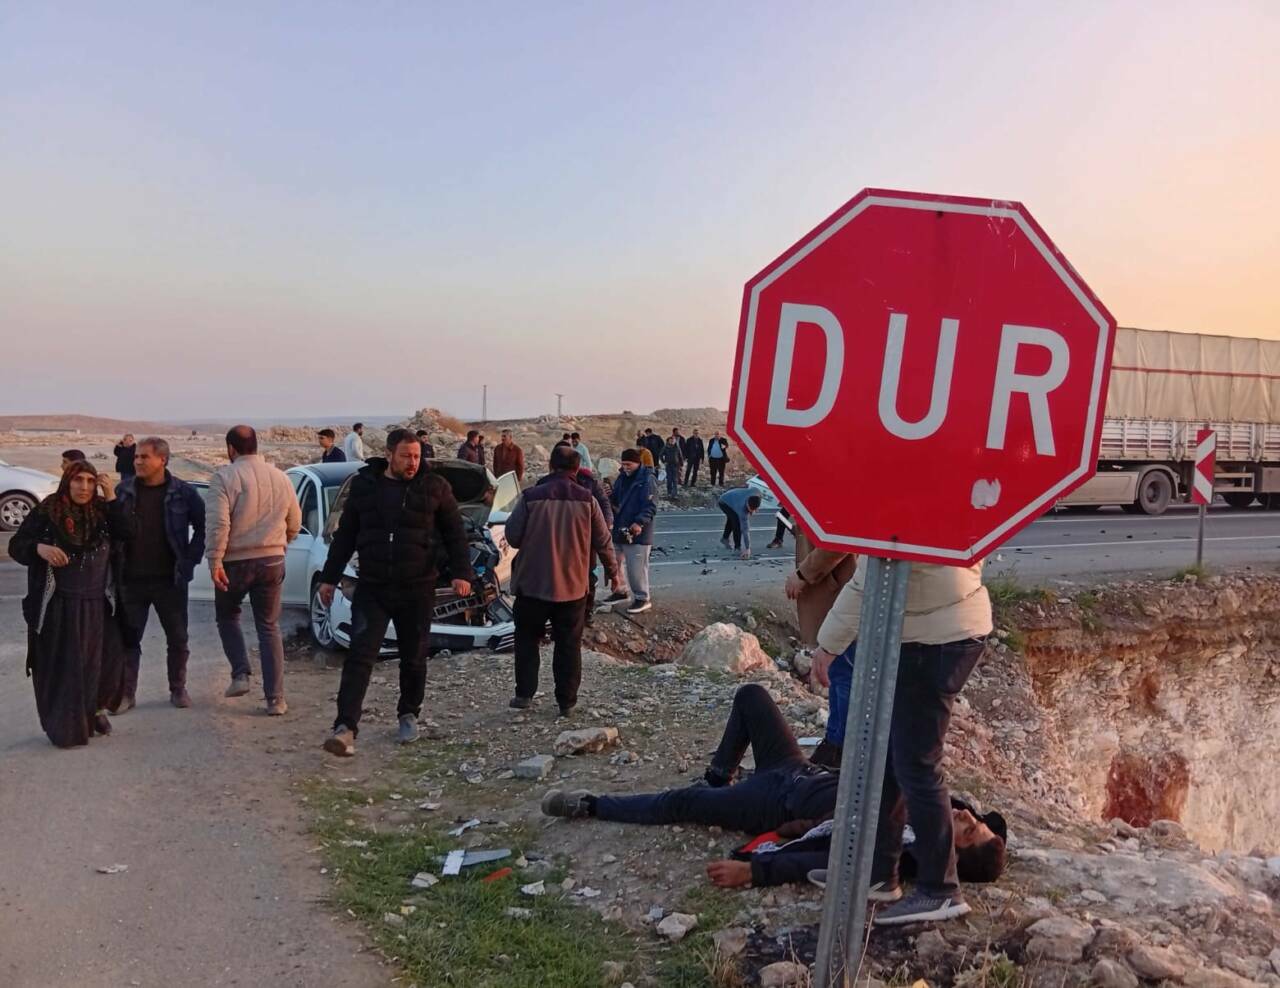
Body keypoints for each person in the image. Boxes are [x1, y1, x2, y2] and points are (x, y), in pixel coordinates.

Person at [540, 685, 1006, 892]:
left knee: (683, 803)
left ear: (949, 856)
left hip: (774, 802)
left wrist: (755, 873)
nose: (968, 818)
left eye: (969, 833)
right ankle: (720, 774)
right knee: (752, 696)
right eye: (976, 821)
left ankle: (592, 804)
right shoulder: (931, 805)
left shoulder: (892, 853)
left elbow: (818, 861)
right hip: (798, 768)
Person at [809, 560, 993, 925]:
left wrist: (827, 644)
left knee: (918, 763)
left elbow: (871, 573)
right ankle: (879, 874)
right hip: (943, 630)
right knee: (893, 757)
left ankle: (940, 889)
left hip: (935, 638)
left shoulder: (908, 506)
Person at [317, 429, 475, 756]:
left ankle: (408, 714)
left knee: (414, 656)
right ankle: (345, 727)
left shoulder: (435, 487)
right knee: (360, 656)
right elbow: (345, 536)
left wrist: (462, 573)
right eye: (406, 456)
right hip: (373, 586)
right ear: (389, 454)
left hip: (417, 587)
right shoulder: (365, 486)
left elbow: (455, 534)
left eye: (417, 456)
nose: (413, 462)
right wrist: (329, 579)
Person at [10, 461, 133, 747]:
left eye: (91, 481)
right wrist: (40, 548)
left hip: (99, 606)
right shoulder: (49, 510)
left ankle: (94, 713)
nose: (85, 487)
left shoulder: (103, 511)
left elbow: (128, 531)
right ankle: (67, 728)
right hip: (59, 606)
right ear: (68, 481)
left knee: (100, 666)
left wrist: (111, 495)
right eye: (79, 480)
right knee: (64, 667)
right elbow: (17, 545)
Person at [504, 445, 620, 716]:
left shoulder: (530, 497)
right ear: (577, 469)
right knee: (568, 645)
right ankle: (566, 702)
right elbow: (603, 541)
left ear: (550, 466)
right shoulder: (587, 499)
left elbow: (512, 536)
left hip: (531, 585)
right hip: (572, 587)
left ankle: (524, 695)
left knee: (526, 640)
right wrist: (613, 573)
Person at [205, 425, 301, 716]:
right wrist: (282, 543)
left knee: (227, 615)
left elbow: (219, 524)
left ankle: (240, 674)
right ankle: (276, 700)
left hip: (235, 562)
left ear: (231, 449)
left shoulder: (224, 477)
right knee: (268, 626)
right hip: (272, 560)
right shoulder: (281, 477)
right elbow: (294, 520)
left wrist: (215, 561)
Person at [114, 438, 205, 711]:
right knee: (128, 640)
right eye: (137, 457)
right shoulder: (123, 491)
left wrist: (189, 561)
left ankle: (178, 689)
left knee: (178, 638)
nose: (138, 461)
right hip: (131, 580)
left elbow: (202, 528)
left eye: (144, 457)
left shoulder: (183, 493)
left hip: (170, 580)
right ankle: (126, 694)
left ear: (162, 460)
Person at [608, 449, 658, 615]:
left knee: (636, 568)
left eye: (628, 464)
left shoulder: (647, 480)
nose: (625, 467)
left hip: (638, 533)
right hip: (620, 529)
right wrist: (609, 495)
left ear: (637, 463)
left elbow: (650, 506)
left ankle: (642, 598)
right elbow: (616, 500)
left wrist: (639, 522)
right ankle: (620, 591)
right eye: (623, 464)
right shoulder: (622, 478)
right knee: (614, 562)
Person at [718, 487, 761, 559]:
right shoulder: (741, 509)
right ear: (747, 504)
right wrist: (748, 548)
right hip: (724, 501)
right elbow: (745, 530)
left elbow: (757, 495)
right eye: (749, 510)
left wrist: (753, 510)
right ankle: (737, 547)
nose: (750, 512)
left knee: (732, 518)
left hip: (734, 497)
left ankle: (724, 538)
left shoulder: (757, 492)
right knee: (736, 522)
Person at [660, 435, 684, 499]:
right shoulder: (665, 447)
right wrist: (664, 461)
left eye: (673, 440)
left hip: (676, 465)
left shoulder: (677, 447)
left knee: (675, 480)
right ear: (668, 441)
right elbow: (661, 455)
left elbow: (680, 455)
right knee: (669, 480)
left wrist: (681, 463)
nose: (672, 441)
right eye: (671, 440)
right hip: (668, 465)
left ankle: (675, 494)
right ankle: (669, 493)